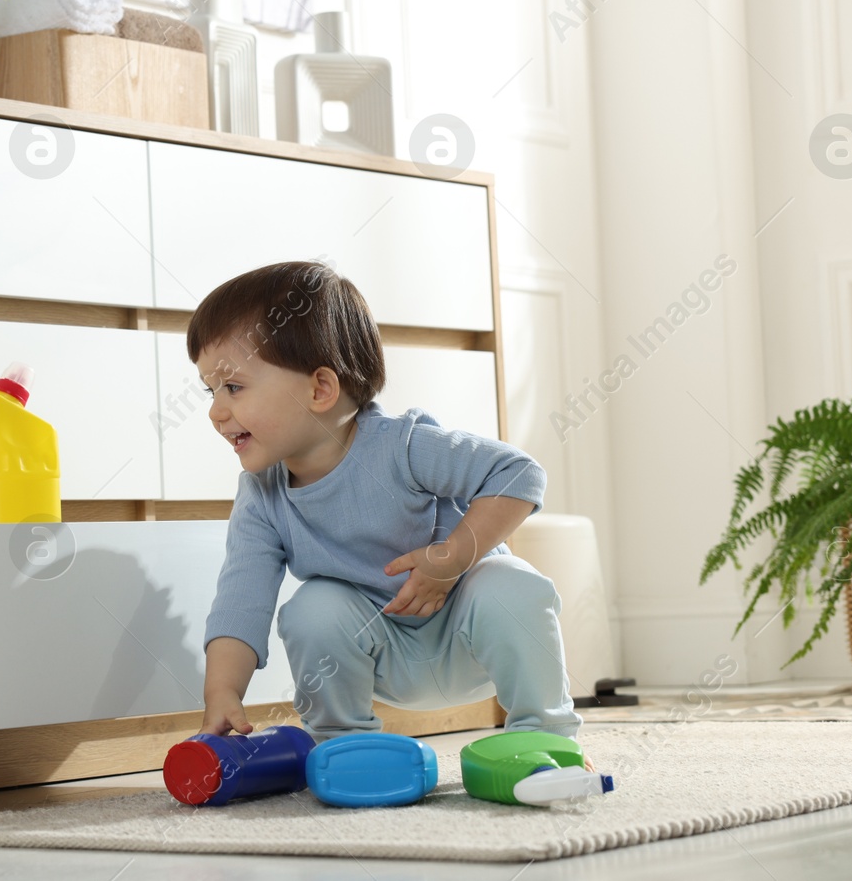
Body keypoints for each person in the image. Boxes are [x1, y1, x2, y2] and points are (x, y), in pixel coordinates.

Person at [190, 258, 584, 753]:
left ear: (320, 388)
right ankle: (345, 746)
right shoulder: (263, 496)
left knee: (512, 584)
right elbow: (240, 600)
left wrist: (453, 557)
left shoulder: (404, 445)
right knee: (312, 608)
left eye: (233, 387)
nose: (215, 411)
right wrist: (222, 692)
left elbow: (519, 473)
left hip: (470, 637)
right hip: (379, 654)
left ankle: (545, 739)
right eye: (210, 391)